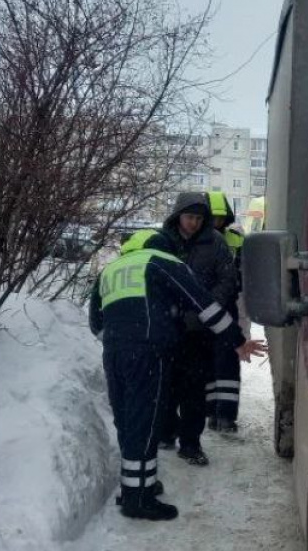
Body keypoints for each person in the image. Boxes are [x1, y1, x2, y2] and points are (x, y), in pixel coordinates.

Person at [88, 228, 263, 520]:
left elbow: (96, 322)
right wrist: (238, 341)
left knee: (128, 418)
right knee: (145, 420)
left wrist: (121, 339)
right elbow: (204, 306)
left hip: (115, 353)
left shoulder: (112, 268)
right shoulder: (163, 263)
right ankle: (138, 501)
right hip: (148, 351)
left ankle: (137, 486)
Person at [158, 192, 240, 465]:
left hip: (200, 330)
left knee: (194, 390)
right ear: (178, 215)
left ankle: (191, 444)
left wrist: (205, 307)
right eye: (189, 217)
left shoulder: (215, 243)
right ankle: (166, 432)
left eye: (198, 218)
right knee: (166, 385)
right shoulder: (163, 242)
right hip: (168, 328)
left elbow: (228, 279)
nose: (193, 223)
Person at [206, 191, 245, 433]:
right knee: (206, 363)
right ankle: (210, 412)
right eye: (211, 217)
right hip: (202, 308)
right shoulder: (195, 241)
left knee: (228, 361)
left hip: (229, 305)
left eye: (219, 218)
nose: (215, 222)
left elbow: (245, 276)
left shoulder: (237, 239)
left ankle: (226, 416)